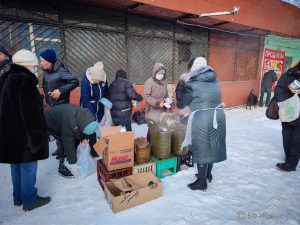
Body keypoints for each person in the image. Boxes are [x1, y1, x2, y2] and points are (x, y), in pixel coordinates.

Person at [0, 49, 50, 211]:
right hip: (25, 135)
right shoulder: (25, 81)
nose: (36, 69)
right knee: (28, 167)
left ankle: (18, 197)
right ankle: (30, 199)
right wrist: (36, 140)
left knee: (15, 165)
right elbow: (31, 114)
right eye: (34, 66)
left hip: (9, 134)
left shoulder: (5, 78)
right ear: (27, 65)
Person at [177, 57, 227, 191]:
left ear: (193, 69)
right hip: (217, 116)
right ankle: (207, 174)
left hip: (203, 118)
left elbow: (181, 103)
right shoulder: (214, 81)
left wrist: (180, 86)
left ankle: (201, 182)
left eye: (189, 70)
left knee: (201, 148)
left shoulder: (192, 85)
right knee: (211, 146)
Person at [40, 49, 79, 158]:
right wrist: (46, 99)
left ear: (50, 61)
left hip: (61, 105)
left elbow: (75, 82)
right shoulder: (46, 71)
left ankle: (67, 151)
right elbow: (45, 84)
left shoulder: (61, 70)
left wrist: (60, 90)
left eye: (43, 61)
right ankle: (60, 148)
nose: (41, 63)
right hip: (52, 105)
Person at [44, 104, 98, 178]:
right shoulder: (70, 124)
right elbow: (68, 144)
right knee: (65, 145)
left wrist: (84, 138)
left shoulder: (87, 118)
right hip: (51, 123)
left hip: (63, 119)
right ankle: (63, 167)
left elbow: (85, 128)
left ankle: (70, 159)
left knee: (75, 141)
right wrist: (73, 164)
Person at [275, 60, 300, 172]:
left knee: (297, 140)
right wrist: (282, 102)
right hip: (288, 111)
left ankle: (291, 164)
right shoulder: (290, 73)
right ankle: (288, 157)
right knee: (287, 138)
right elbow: (279, 88)